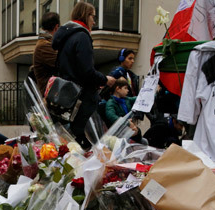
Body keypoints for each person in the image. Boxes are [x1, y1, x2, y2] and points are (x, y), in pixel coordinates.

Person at [52, 2, 115, 148]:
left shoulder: (66, 38)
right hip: (83, 100)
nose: (94, 21)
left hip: (69, 98)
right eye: (93, 16)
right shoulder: (82, 36)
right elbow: (86, 71)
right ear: (85, 15)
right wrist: (105, 79)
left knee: (71, 142)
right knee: (90, 144)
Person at [104, 79, 143, 143]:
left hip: (130, 129)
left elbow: (138, 98)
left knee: (143, 141)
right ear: (118, 89)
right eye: (125, 88)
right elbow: (111, 115)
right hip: (120, 133)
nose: (127, 91)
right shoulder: (110, 103)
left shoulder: (126, 99)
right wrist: (125, 122)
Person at [32, 11, 60, 95]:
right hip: (52, 96)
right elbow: (62, 63)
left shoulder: (46, 43)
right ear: (56, 27)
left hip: (54, 94)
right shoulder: (44, 45)